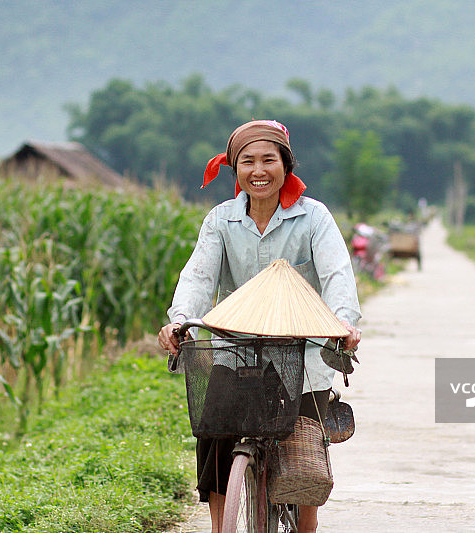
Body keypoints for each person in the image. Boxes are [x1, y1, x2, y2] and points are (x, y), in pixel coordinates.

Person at [158, 119, 361, 532]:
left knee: (304, 455)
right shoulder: (221, 221)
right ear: (236, 171)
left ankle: (306, 526)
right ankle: (222, 526)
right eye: (248, 162)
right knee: (214, 432)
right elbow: (198, 277)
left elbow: (338, 274)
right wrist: (181, 323)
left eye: (269, 160)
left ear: (285, 165)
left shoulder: (313, 218)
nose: (259, 170)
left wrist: (343, 323)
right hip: (237, 351)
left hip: (303, 354)